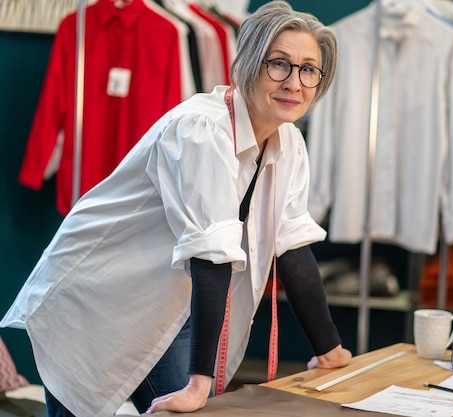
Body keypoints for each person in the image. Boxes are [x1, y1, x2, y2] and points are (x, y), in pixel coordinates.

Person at [0, 1, 352, 416]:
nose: (294, 82)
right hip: (102, 297)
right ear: (249, 65)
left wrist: (328, 349)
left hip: (173, 299)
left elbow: (291, 246)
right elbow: (211, 253)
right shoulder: (201, 130)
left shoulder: (287, 141)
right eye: (278, 64)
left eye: (308, 69)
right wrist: (198, 384)